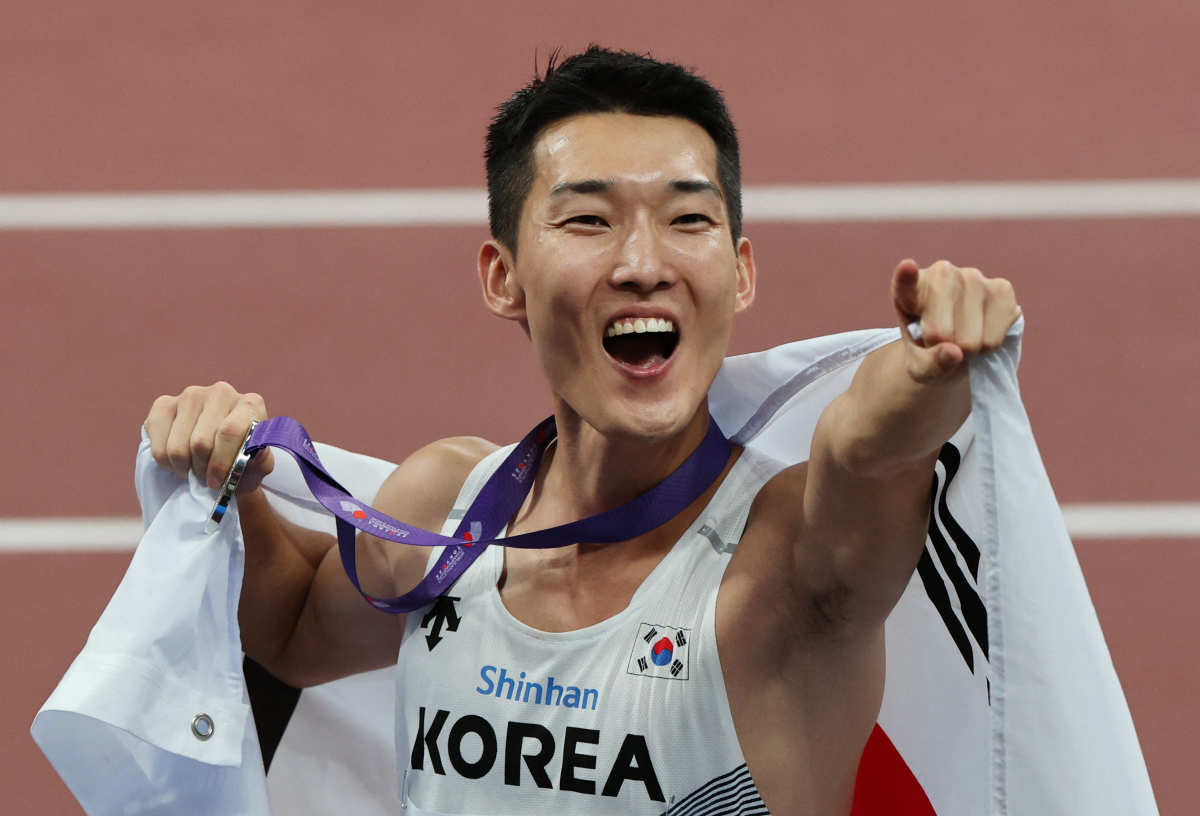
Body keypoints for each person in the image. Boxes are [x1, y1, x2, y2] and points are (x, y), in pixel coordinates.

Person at [144, 47, 1019, 815]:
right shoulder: (449, 508)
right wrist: (223, 477)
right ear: (504, 277)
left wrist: (928, 365)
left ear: (741, 271)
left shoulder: (783, 563)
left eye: (688, 219)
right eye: (589, 220)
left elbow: (869, 453)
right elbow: (293, 627)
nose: (643, 264)